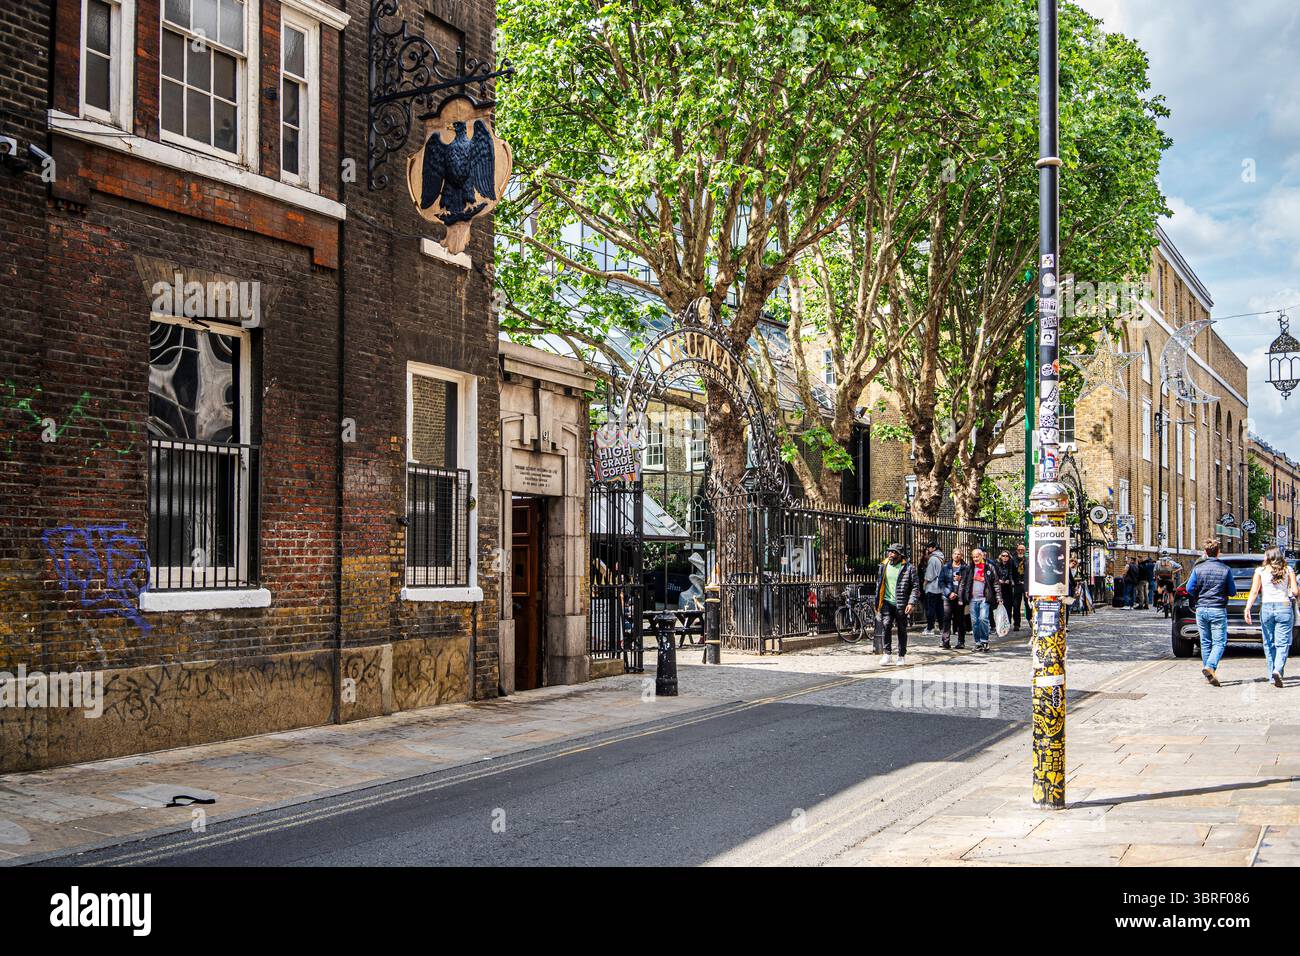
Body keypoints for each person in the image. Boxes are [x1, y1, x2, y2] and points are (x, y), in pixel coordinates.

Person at [1242, 547, 1299, 688]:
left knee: (1268, 643)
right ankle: (1277, 670)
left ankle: (1272, 676)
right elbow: (1295, 591)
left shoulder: (1260, 571)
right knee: (1283, 643)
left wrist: (1247, 608)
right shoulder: (1288, 570)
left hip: (1266, 608)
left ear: (1268, 556)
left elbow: (1254, 591)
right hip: (1284, 607)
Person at [1185, 538, 1238, 686]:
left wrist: (1199, 594)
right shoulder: (1225, 569)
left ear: (1205, 553)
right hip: (1217, 609)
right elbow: (1233, 592)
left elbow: (1189, 588)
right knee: (1220, 642)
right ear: (1218, 553)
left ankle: (1208, 671)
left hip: (1201, 609)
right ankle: (1210, 667)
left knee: (1205, 642)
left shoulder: (1198, 569)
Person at [875, 543, 921, 666]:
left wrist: (911, 602)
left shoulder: (909, 568)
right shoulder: (883, 566)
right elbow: (879, 584)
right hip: (886, 602)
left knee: (902, 629)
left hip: (902, 603)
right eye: (889, 551)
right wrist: (877, 602)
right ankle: (887, 654)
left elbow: (915, 587)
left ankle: (901, 655)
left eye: (893, 552)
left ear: (900, 555)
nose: (890, 554)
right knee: (886, 625)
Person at [960, 547, 1001, 652]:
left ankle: (984, 641)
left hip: (984, 598)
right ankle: (978, 643)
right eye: (973, 557)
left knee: (983, 619)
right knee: (974, 621)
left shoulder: (989, 567)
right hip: (972, 599)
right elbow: (963, 583)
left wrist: (999, 597)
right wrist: (961, 597)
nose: (975, 559)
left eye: (977, 556)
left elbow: (996, 583)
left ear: (982, 556)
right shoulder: (969, 568)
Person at [938, 549, 969, 650]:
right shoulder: (946, 567)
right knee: (946, 619)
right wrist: (949, 593)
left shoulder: (965, 568)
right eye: (955, 554)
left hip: (960, 597)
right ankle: (945, 641)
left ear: (962, 556)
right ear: (952, 555)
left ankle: (961, 642)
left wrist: (961, 579)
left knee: (960, 620)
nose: (956, 556)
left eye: (959, 554)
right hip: (948, 597)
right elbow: (941, 582)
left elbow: (968, 582)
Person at [922, 541, 945, 637]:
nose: (928, 550)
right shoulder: (941, 557)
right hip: (940, 587)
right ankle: (942, 628)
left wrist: (924, 583)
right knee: (940, 609)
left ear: (933, 548)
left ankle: (930, 628)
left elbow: (930, 575)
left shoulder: (933, 559)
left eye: (929, 547)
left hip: (932, 587)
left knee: (930, 609)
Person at [996, 550, 1019, 627]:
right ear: (1000, 557)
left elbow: (1014, 574)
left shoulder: (1011, 564)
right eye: (1003, 556)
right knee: (1000, 606)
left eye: (1006, 556)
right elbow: (995, 575)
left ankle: (1008, 623)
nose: (1005, 557)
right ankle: (1000, 623)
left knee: (1009, 607)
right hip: (999, 588)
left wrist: (1010, 580)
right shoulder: (997, 564)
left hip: (1008, 588)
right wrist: (998, 580)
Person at [1016, 542, 1032, 625]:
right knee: (1016, 604)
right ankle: (1017, 624)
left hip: (1026, 585)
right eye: (1019, 550)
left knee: (1027, 603)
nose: (1020, 551)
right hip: (1016, 585)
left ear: (1025, 551)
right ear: (1016, 550)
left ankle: (1030, 619)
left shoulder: (1028, 560)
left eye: (1022, 550)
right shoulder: (1013, 560)